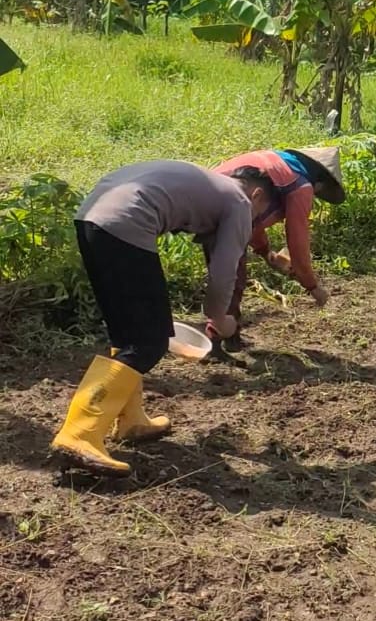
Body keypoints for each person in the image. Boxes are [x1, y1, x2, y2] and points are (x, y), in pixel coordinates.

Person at [51, 159, 274, 476]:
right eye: (260, 215)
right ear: (257, 196)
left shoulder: (213, 185)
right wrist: (220, 318)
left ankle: (131, 420)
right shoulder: (240, 201)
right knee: (149, 342)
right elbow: (224, 273)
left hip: (92, 218)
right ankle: (80, 433)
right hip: (126, 225)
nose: (254, 222)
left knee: (128, 334)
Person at [209, 146, 345, 332]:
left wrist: (266, 253)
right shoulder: (301, 185)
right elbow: (297, 238)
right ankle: (221, 336)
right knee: (232, 279)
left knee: (226, 276)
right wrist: (312, 286)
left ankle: (226, 330)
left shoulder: (278, 165)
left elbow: (253, 219)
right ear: (319, 184)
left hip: (205, 198)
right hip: (225, 211)